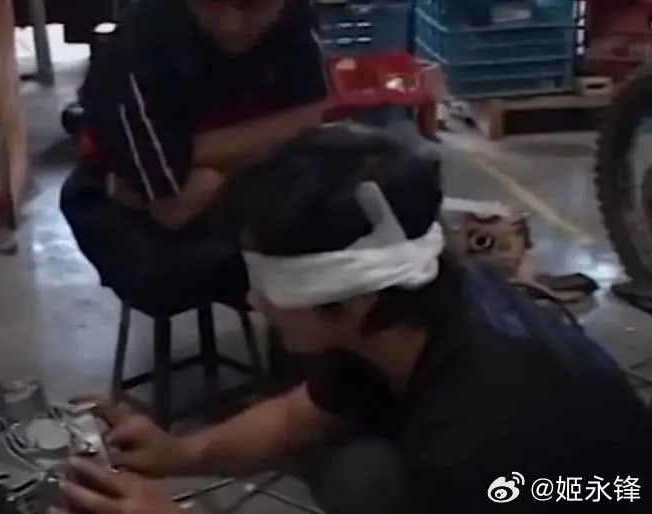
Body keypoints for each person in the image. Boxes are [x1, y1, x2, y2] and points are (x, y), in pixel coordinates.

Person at [59, 124, 652, 514]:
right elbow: (298, 418)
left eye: (270, 286)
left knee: (367, 480)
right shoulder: (406, 314)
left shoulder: (474, 445)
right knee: (349, 463)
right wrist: (180, 455)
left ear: (353, 300)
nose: (253, 302)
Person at [60, 0, 328, 313]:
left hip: (196, 191)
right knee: (182, 272)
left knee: (324, 242)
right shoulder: (138, 42)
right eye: (210, 6)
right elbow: (171, 208)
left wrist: (189, 157)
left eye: (253, 7)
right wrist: (265, 143)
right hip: (125, 216)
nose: (231, 25)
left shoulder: (296, 17)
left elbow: (308, 122)